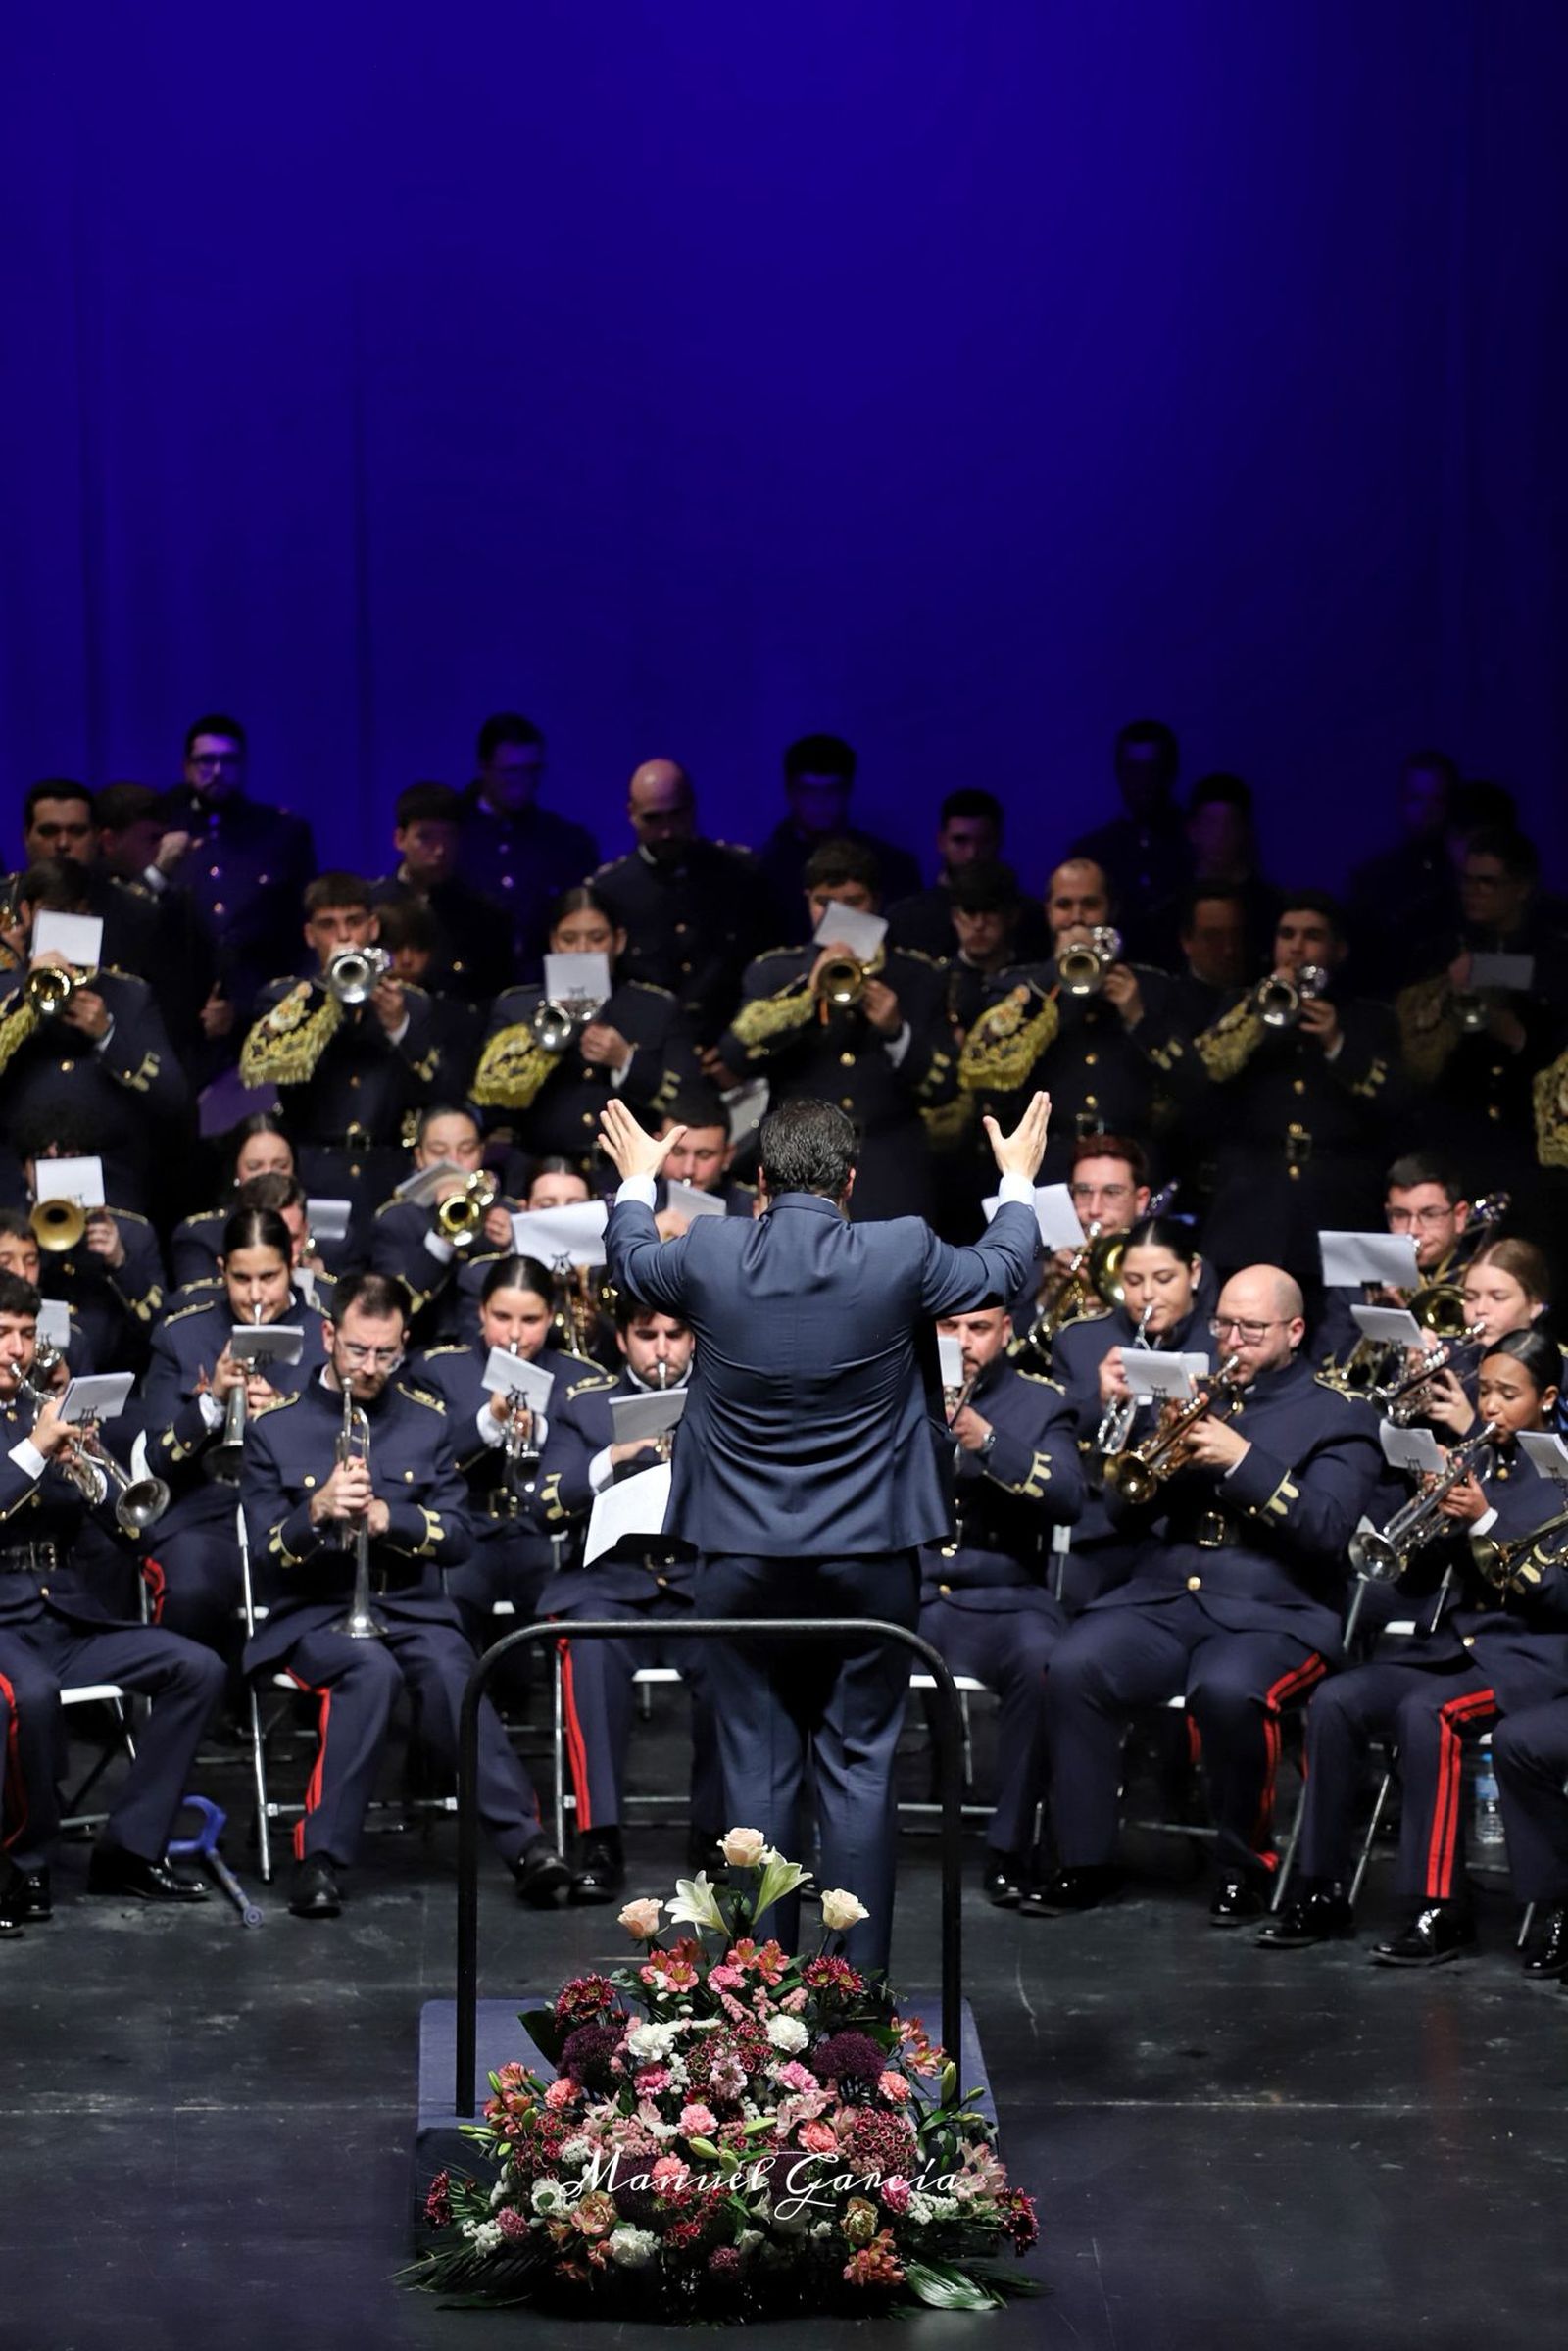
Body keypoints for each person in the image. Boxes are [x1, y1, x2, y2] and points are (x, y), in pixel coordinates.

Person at [597, 1085, 1050, 1973]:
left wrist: (638, 1179)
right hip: (867, 1559)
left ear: (760, 1180)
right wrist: (1018, 1181)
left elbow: (633, 1264)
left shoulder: (711, 1248)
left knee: (755, 1768)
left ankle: (764, 2003)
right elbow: (1002, 1270)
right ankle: (852, 1993)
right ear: (849, 1180)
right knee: (860, 1766)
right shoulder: (901, 1248)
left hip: (740, 1560)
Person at [1029, 1263, 1381, 1925]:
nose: (1232, 1341)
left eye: (1251, 1329)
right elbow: (1121, 1511)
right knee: (1073, 1665)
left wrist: (1241, 1460)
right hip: (1166, 1595)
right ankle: (1085, 1859)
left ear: (1295, 1331)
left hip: (1273, 1608)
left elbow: (1329, 1530)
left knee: (1229, 1691)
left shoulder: (1340, 1413)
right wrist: (1156, 1452)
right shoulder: (1198, 1393)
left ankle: (1245, 1866)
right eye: (1223, 1326)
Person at [241, 1272, 573, 1919]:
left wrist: (392, 1518)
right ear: (328, 1335)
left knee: (454, 1672)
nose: (370, 1366)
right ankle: (320, 1857)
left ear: (404, 1343)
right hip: (314, 1610)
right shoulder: (275, 1428)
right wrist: (316, 1509)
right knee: (369, 1671)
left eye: (385, 1353)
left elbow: (459, 1538)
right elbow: (262, 1553)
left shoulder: (426, 1422)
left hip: (411, 1607)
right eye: (357, 1350)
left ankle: (527, 1846)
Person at [1259, 1330, 1568, 1965]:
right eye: (1486, 1390)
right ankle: (1322, 1884)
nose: (1491, 1407)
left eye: (1509, 1395)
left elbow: (1557, 1595)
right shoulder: (1479, 1462)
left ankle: (1440, 1906)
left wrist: (1484, 1520)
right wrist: (1427, 1512)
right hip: (1455, 1647)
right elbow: (1415, 1582)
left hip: (1531, 1658)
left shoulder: (1562, 1472)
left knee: (1430, 1712)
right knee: (1337, 1699)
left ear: (1547, 1398)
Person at [0, 1274, 225, 1931]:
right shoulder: (34, 1429)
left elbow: (135, 1536)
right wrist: (37, 1449)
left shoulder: (41, 1414)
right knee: (31, 1696)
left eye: (26, 1334)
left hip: (63, 1613)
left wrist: (94, 1469)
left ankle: (129, 1849)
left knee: (197, 1667)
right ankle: (23, 1863)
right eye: (3, 1333)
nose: (17, 1349)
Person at [534, 1295, 724, 1900]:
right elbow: (543, 1503)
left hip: (697, 1582)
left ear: (694, 1338)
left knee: (735, 1651)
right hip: (611, 1586)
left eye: (675, 1333)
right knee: (588, 1647)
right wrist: (610, 1460)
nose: (662, 1349)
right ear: (622, 1340)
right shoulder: (586, 1405)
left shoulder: (726, 1397)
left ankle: (717, 1832)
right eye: (647, 1335)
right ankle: (599, 1837)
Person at [918, 1298, 1083, 1905]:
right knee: (830, 1648)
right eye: (949, 1327)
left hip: (1003, 1597)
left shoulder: (1042, 1402)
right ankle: (838, 1843)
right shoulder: (894, 1387)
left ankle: (1011, 1845)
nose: (963, 1341)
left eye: (979, 1328)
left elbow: (1069, 1497)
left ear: (1007, 1331)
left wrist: (988, 1441)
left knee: (1045, 1666)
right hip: (911, 1594)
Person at [711, 838, 957, 1223]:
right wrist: (804, 999)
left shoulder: (917, 976)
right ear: (807, 901)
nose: (837, 914)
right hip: (798, 1168)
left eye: (852, 901)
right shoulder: (776, 974)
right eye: (824, 903)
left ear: (876, 901)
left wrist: (896, 1031)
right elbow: (734, 1057)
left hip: (888, 1170)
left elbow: (945, 1087)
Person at [142, 1206, 327, 1656]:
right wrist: (212, 1403)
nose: (256, 1294)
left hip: (300, 1511)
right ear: (222, 1269)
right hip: (208, 1518)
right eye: (242, 1279)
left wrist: (286, 1416)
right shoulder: (182, 1335)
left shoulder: (328, 1337)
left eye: (269, 1277)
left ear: (293, 1265)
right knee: (190, 1590)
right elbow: (155, 1460)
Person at [237, 872, 445, 1230]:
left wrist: (399, 1027)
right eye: (328, 925)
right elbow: (273, 1067)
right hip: (315, 1171)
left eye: (354, 922)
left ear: (373, 927)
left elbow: (440, 1088)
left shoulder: (412, 1003)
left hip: (389, 1171)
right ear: (310, 935)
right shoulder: (284, 1000)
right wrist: (325, 992)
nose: (344, 936)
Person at [1050, 1214, 1220, 1611]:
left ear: (1194, 1273)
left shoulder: (1219, 1344)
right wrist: (1099, 1402)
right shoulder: (1080, 1338)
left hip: (1181, 1533)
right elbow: (1058, 1436)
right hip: (1095, 1530)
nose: (1147, 1295)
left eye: (1164, 1279)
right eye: (1133, 1281)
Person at [0, 858, 189, 1216]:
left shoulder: (129, 995)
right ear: (26, 912)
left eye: (76, 914)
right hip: (13, 1189)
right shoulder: (5, 993)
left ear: (91, 916)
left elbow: (174, 1098)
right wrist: (24, 1005)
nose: (66, 926)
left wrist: (108, 1035)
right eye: (54, 913)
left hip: (112, 1185)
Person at [469, 884, 704, 1166]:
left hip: (627, 1171)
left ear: (619, 941)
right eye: (569, 939)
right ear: (554, 942)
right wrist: (537, 1048)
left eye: (596, 938)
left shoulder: (656, 1007)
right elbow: (487, 1101)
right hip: (540, 1170)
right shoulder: (516, 1007)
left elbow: (690, 1102)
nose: (582, 950)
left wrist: (626, 1061)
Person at [590, 759, 774, 1044]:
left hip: (733, 1043)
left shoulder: (741, 874)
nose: (667, 831)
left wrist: (736, 1049)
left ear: (692, 808)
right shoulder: (609, 890)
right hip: (645, 1050)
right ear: (631, 814)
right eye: (653, 819)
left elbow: (768, 969)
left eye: (676, 815)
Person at [155, 712, 318, 1025]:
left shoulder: (281, 832)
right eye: (206, 761)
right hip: (176, 1005)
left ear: (243, 766)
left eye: (228, 761)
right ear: (187, 767)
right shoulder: (161, 829)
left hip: (261, 1004)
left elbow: (301, 924)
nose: (217, 771)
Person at [456, 712, 600, 968]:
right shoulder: (453, 838)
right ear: (484, 768)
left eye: (531, 771)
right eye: (510, 772)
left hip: (546, 977)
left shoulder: (566, 842)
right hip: (468, 978)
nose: (522, 783)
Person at [368, 1104, 517, 1342]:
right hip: (421, 1346)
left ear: (481, 1153)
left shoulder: (509, 1215)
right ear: (419, 1157)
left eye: (466, 1150)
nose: (453, 1162)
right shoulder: (396, 1220)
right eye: (439, 1152)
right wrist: (443, 1235)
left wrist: (515, 1245)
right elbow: (391, 1308)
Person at [755, 734, 921, 937]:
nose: (820, 802)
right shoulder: (763, 872)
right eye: (809, 790)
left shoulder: (892, 866)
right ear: (791, 792)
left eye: (831, 790)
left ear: (847, 791)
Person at [369, 781, 513, 1008]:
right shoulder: (371, 905)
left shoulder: (483, 915)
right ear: (399, 839)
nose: (440, 849)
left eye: (448, 836)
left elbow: (498, 1001)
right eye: (425, 837)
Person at [1067, 718, 1191, 964]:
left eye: (1151, 769)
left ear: (1169, 772)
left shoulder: (1194, 845)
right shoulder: (1093, 852)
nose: (1141, 780)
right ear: (1119, 772)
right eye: (1132, 769)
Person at [885, 791, 1050, 964]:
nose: (972, 853)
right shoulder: (904, 919)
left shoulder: (1033, 918)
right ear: (941, 842)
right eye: (960, 841)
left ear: (999, 841)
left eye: (983, 841)